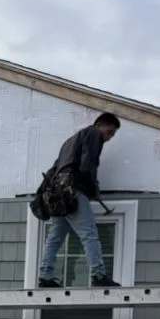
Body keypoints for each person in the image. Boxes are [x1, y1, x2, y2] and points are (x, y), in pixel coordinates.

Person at [37, 112, 121, 288]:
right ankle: (98, 275)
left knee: (55, 237)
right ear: (100, 125)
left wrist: (43, 193)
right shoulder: (93, 134)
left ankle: (45, 276)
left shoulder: (69, 142)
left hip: (59, 194)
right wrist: (93, 188)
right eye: (109, 132)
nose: (109, 138)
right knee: (89, 234)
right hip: (73, 191)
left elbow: (55, 168)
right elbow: (87, 164)